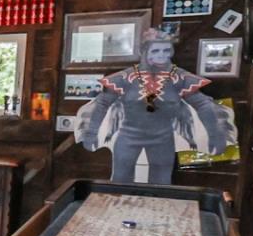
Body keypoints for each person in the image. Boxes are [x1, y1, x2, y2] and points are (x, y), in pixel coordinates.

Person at [75, 28, 235, 184]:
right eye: (156, 51)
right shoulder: (126, 77)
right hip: (128, 137)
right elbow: (102, 103)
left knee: (161, 183)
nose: (162, 56)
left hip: (163, 139)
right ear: (144, 52)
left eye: (166, 51)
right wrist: (91, 133)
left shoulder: (179, 77)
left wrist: (216, 135)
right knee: (120, 181)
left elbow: (203, 105)